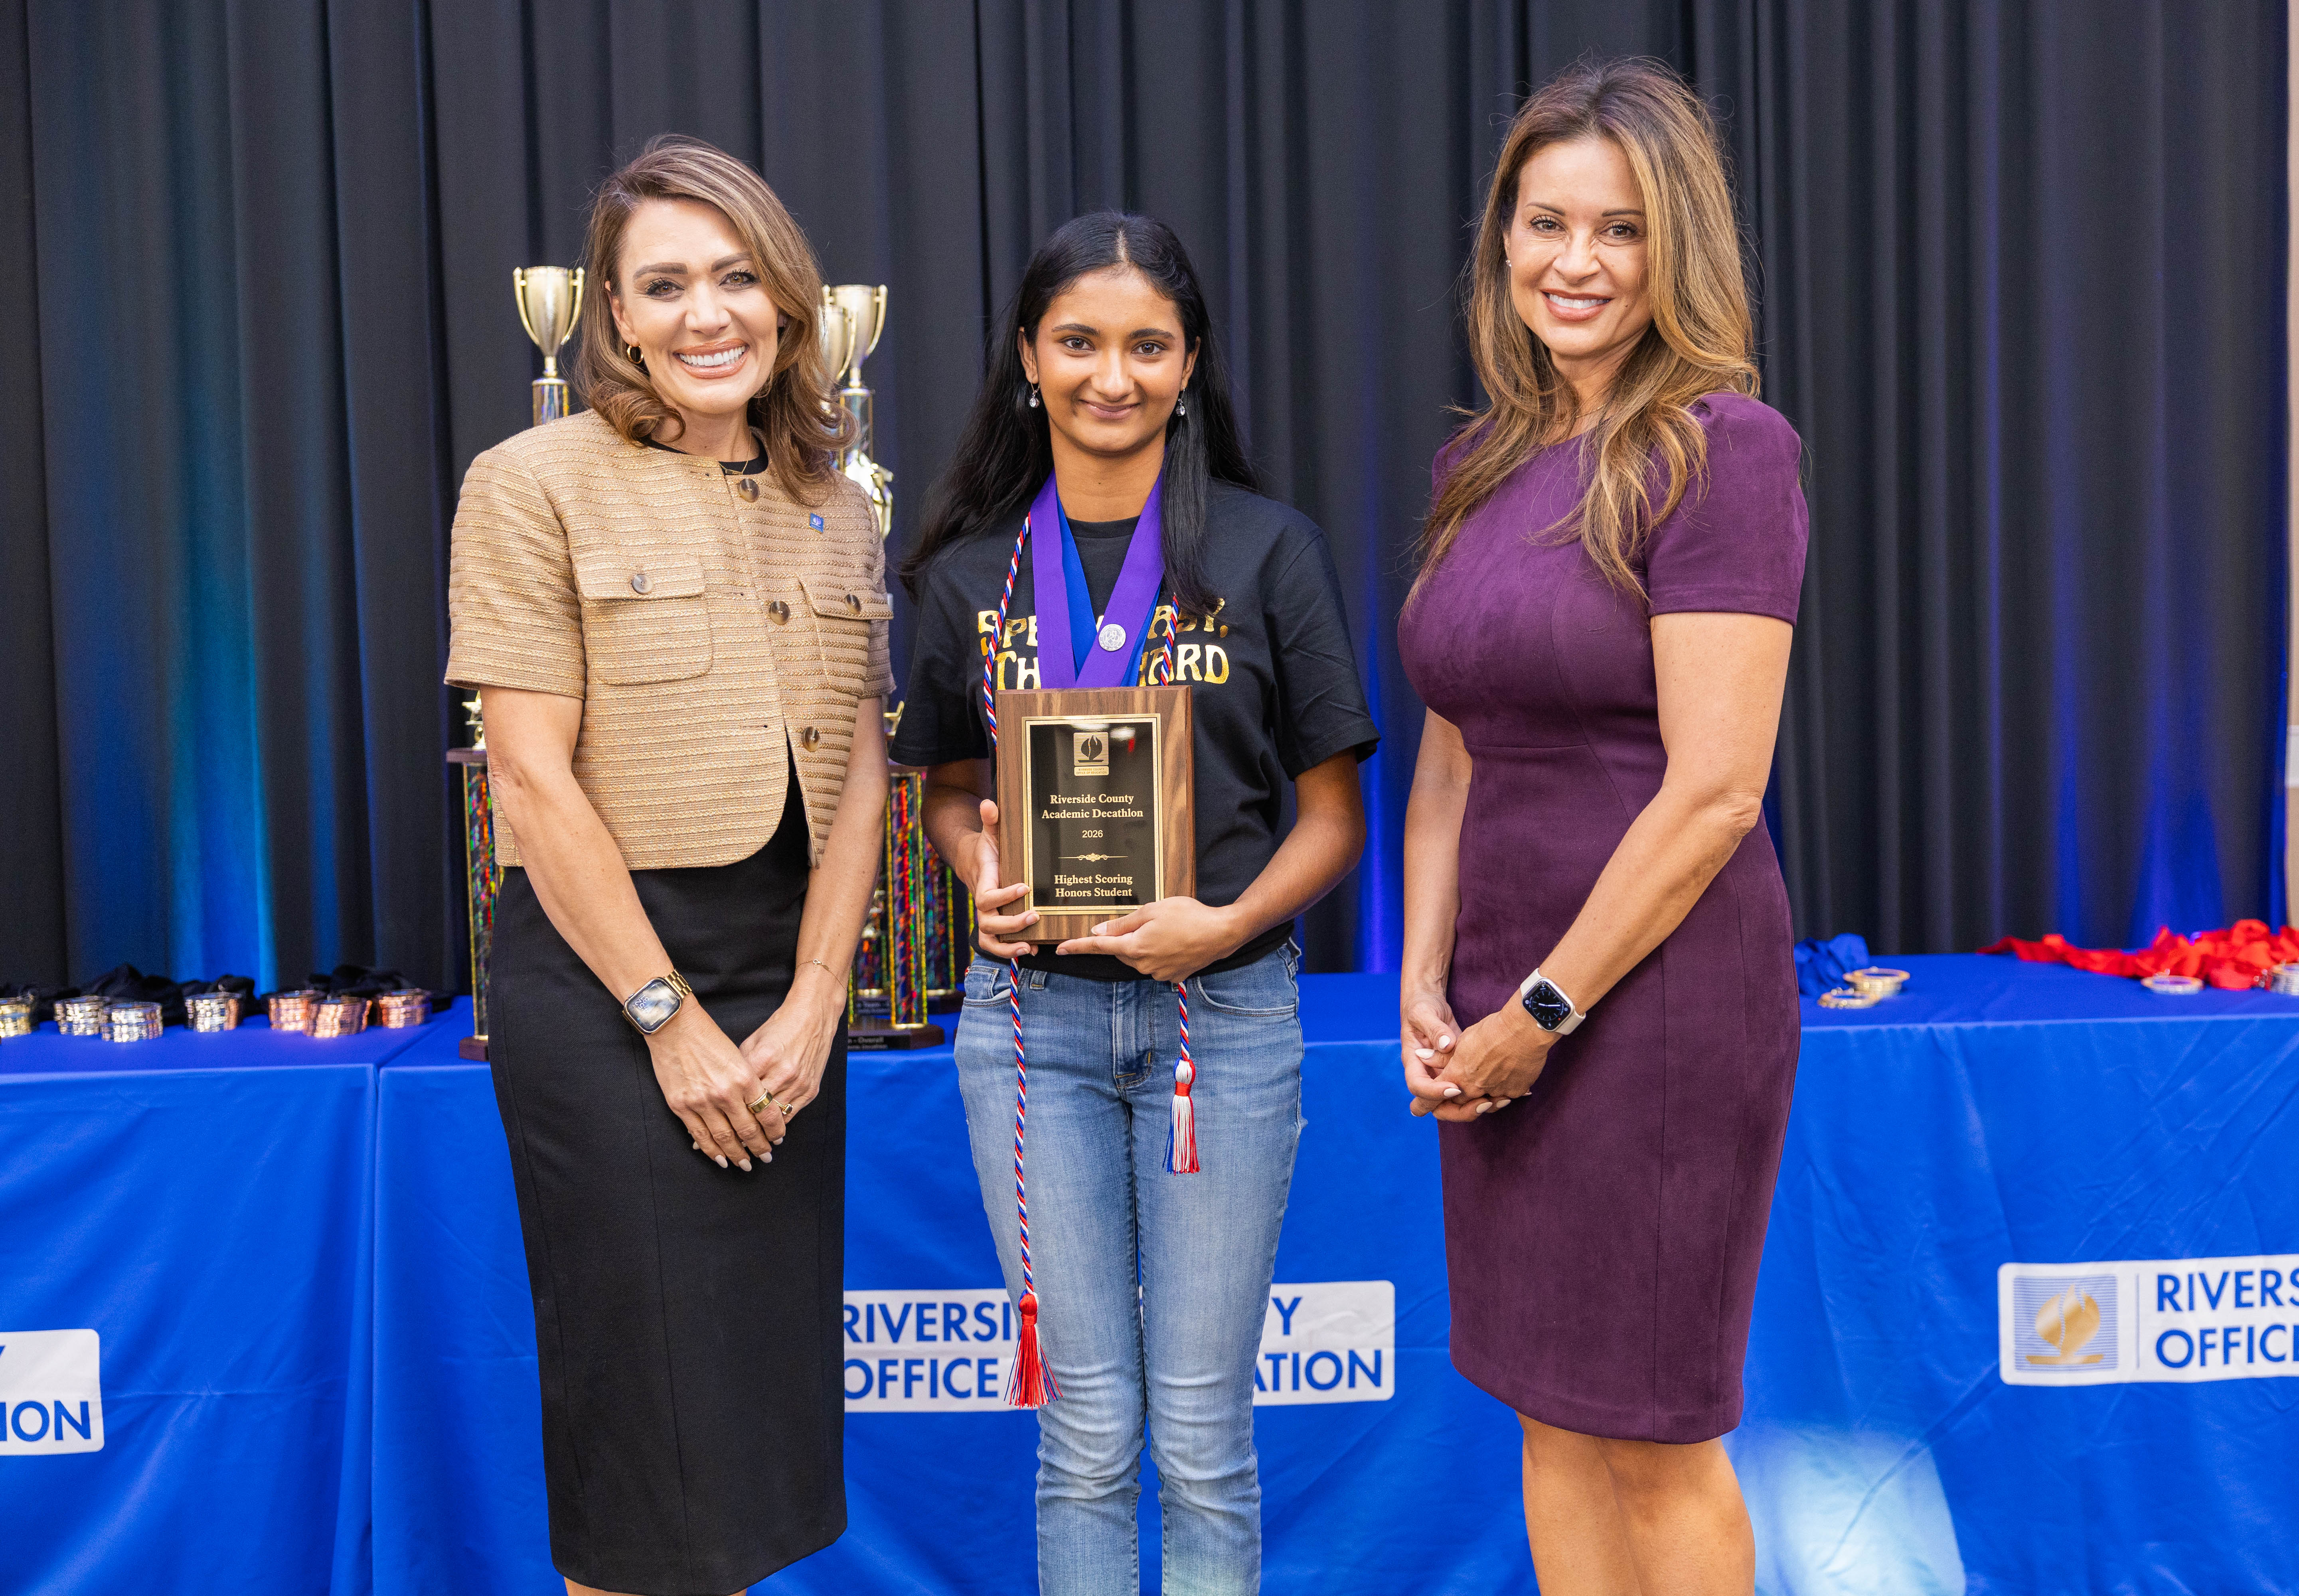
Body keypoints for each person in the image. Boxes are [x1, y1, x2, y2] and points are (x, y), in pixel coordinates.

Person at [894, 211, 1377, 1594]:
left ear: (1191, 361)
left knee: (1205, 1437)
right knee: (1088, 1434)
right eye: (1080, 343)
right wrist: (979, 872)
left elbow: (1335, 820)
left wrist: (1224, 926)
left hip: (1223, 1024)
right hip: (1028, 1028)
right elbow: (945, 790)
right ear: (1028, 358)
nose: (1114, 376)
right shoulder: (968, 573)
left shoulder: (1272, 553)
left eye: (1148, 346)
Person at [445, 135, 890, 1596]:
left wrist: (821, 997)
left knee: (748, 1441)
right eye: (666, 285)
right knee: (648, 1445)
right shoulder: (531, 482)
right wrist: (665, 1018)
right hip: (608, 993)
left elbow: (863, 771)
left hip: (785, 992)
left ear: (787, 300)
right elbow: (529, 779)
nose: (709, 314)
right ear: (617, 317)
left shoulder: (839, 498)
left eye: (737, 277)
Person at [1397, 59, 1808, 1596]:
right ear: (1502, 239)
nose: (1575, 262)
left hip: (1654, 1008)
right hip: (1499, 999)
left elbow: (1716, 792)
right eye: (1545, 222)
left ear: (1674, 248)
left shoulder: (1724, 449)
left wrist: (1544, 1011)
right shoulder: (1482, 466)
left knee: (1653, 1436)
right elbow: (1451, 756)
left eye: (1620, 230)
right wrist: (1427, 976)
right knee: (1549, 1408)